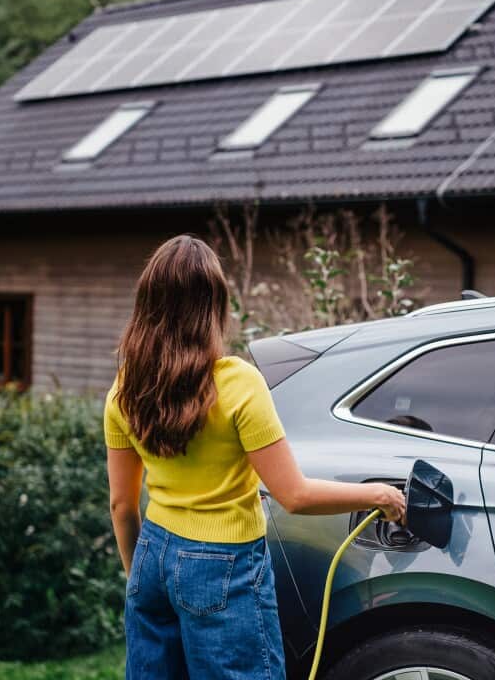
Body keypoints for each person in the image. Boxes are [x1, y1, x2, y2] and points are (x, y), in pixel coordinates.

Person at [105, 235, 406, 680]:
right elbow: (295, 495)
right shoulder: (238, 384)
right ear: (213, 306)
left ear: (147, 305)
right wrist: (379, 493)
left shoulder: (125, 389)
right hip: (222, 564)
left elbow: (122, 506)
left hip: (152, 554)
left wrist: (140, 579)